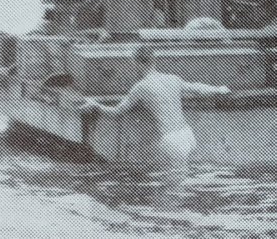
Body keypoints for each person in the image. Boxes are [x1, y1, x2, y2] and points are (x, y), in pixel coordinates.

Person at [97, 44, 236, 172]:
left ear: (137, 64)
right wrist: (219, 89)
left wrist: (95, 105)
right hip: (187, 134)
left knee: (175, 182)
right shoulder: (173, 79)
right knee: (189, 175)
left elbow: (116, 111)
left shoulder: (141, 87)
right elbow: (197, 88)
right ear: (154, 60)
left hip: (171, 140)